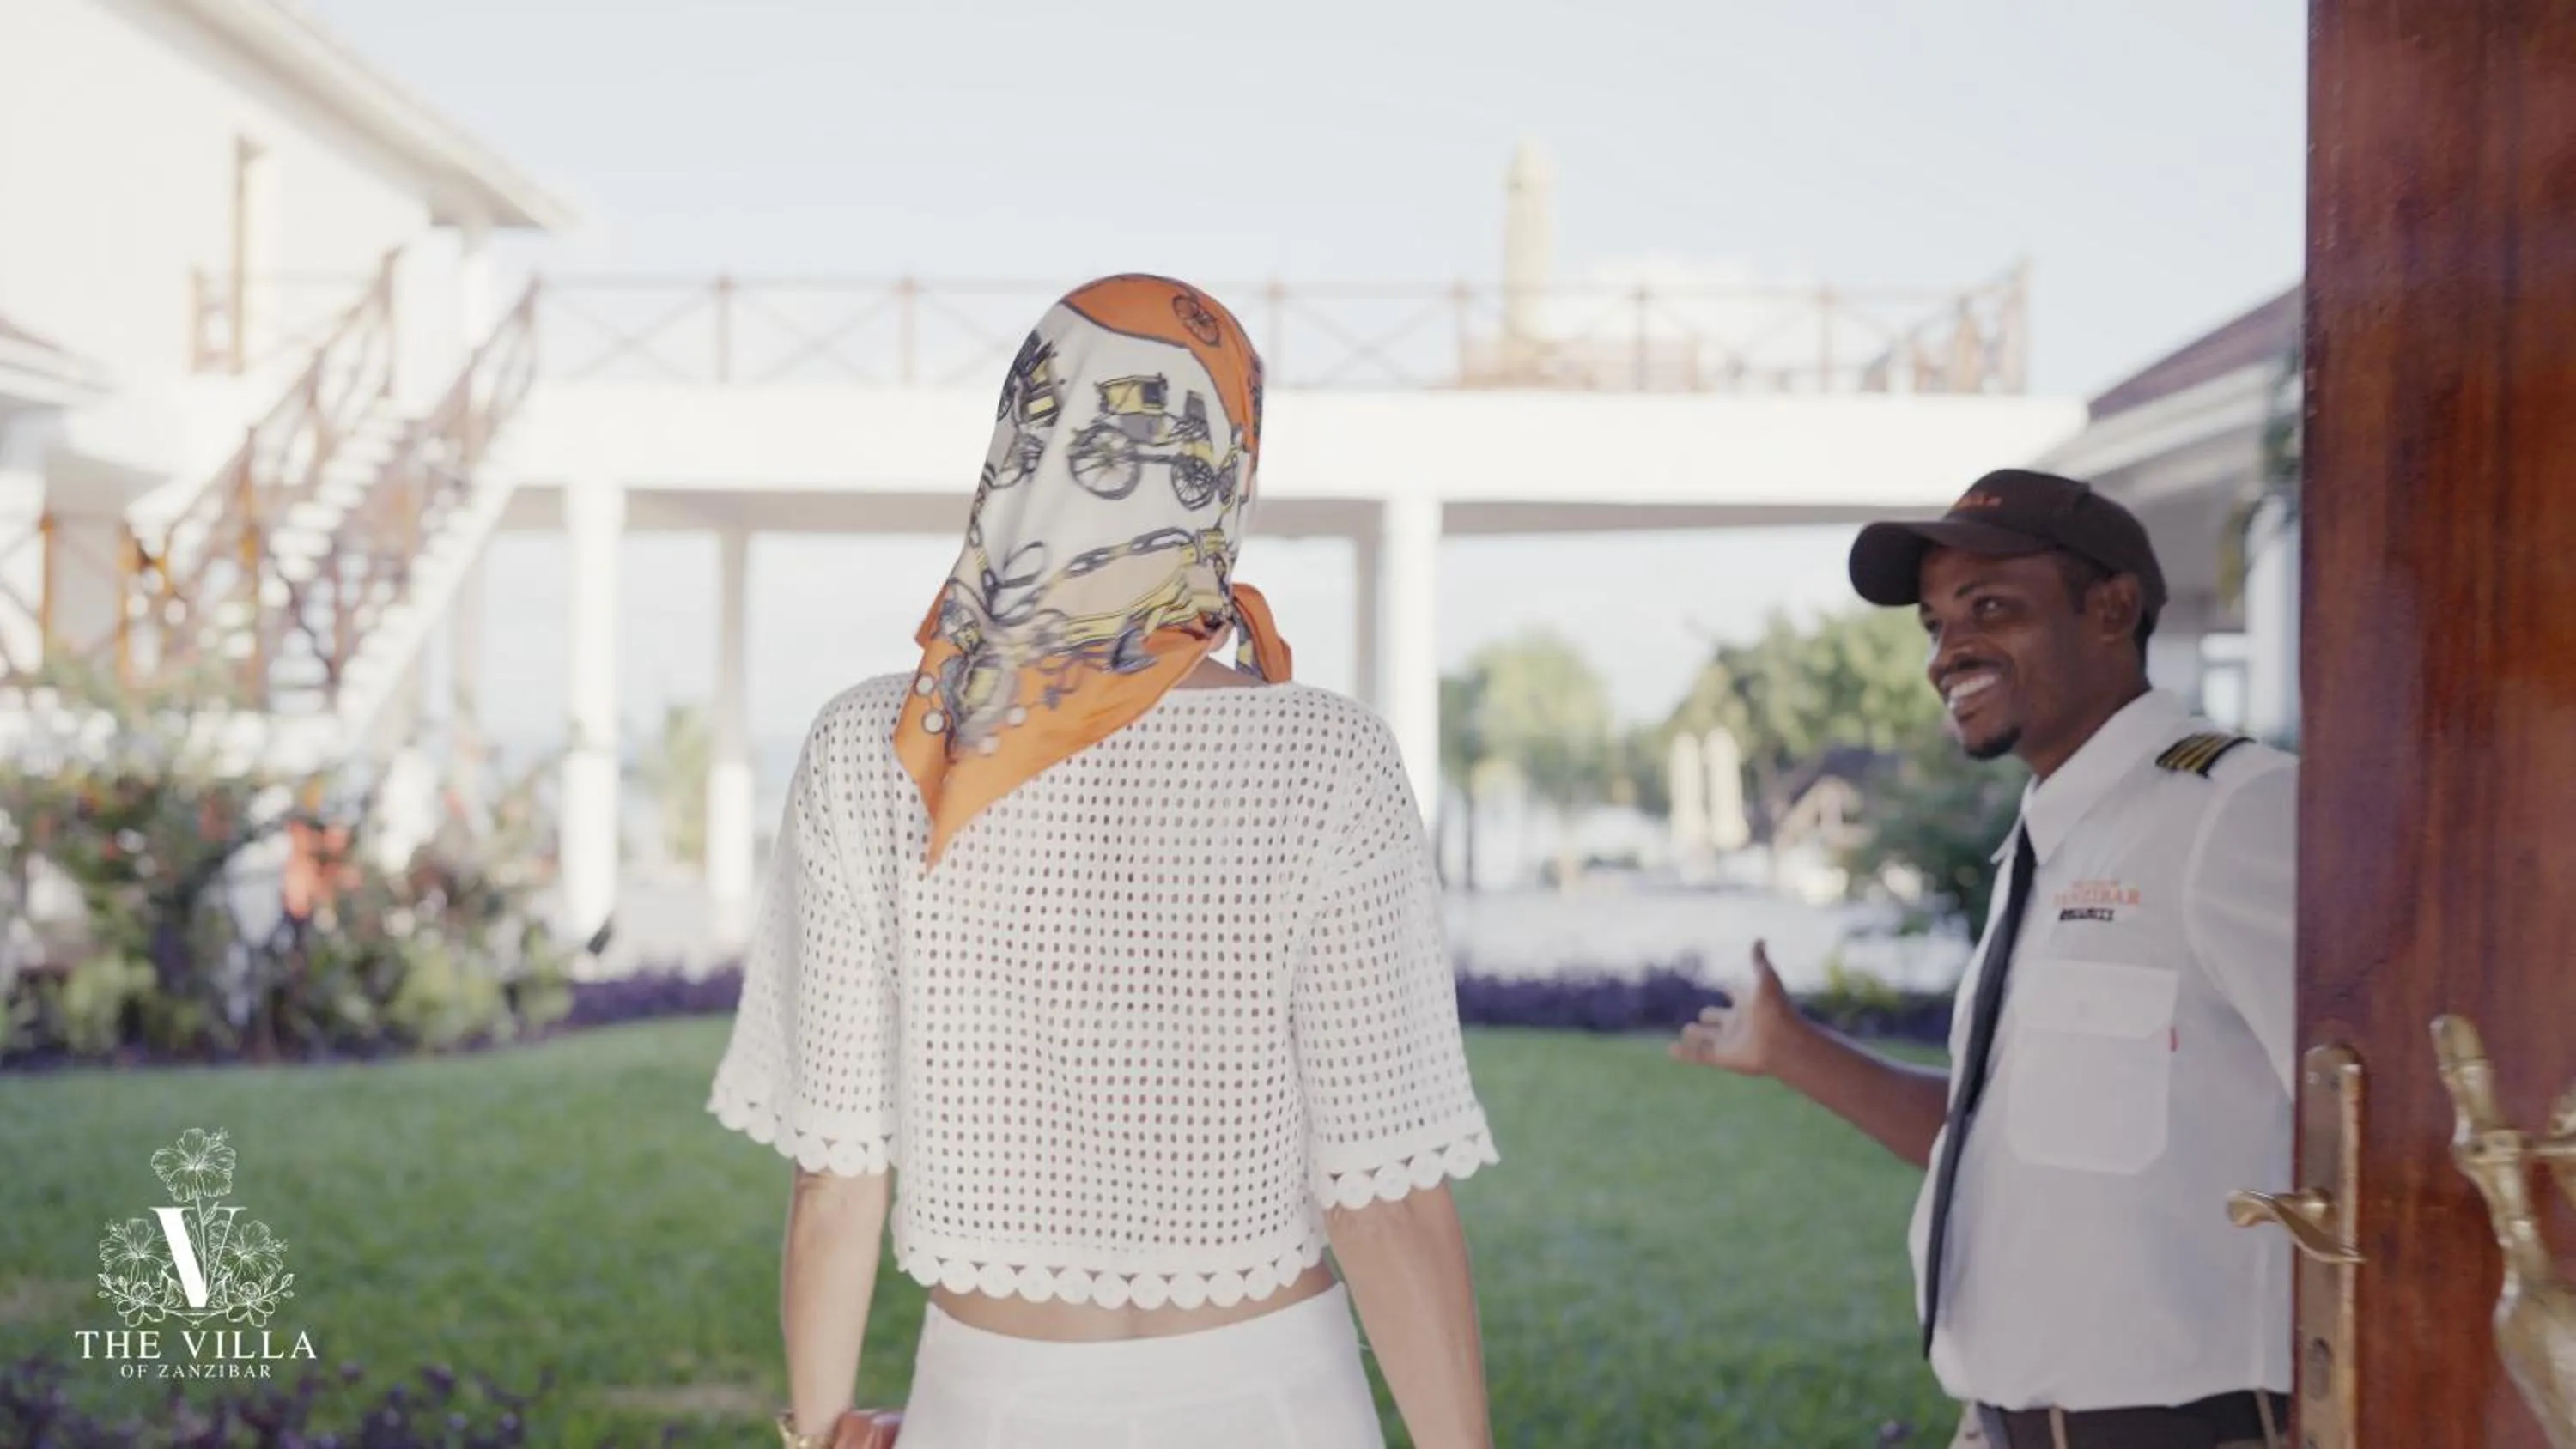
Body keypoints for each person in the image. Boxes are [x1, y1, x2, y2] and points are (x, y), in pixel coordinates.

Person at [707, 274, 1499, 1449]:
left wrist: (819, 1430)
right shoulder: (1327, 759)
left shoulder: (870, 751)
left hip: (989, 1403)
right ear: (1228, 464)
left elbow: (836, 1180)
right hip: (1276, 1400)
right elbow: (1386, 1199)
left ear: (1024, 438)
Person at [1671, 469, 2297, 1449]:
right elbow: (2000, 1139)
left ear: (2111, 608)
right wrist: (1793, 1049)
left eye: (1989, 608)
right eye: (1933, 623)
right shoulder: (2051, 836)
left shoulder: (2232, 812)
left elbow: (2385, 1132)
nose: (1947, 651)